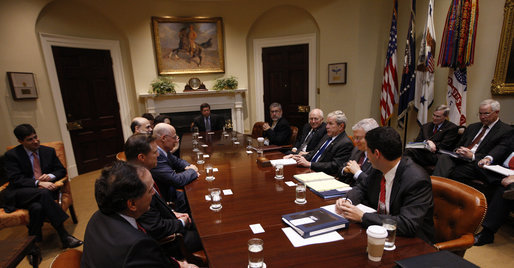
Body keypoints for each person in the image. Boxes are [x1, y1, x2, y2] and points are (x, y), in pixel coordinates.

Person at [81, 161, 196, 268]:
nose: (153, 193)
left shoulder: (96, 218)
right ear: (132, 204)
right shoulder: (138, 246)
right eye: (150, 189)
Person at [335, 127, 434, 243]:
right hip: (378, 232)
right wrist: (348, 202)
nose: (367, 158)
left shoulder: (416, 180)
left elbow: (408, 224)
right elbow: (362, 187)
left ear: (377, 154)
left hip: (412, 243)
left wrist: (362, 216)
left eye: (367, 151)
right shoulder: (379, 167)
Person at [2, 124, 82, 248]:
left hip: (43, 194)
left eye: (35, 137)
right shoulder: (12, 155)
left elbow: (61, 170)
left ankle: (33, 242)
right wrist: (38, 183)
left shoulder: (48, 151)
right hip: (22, 193)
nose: (35, 141)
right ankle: (64, 235)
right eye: (30, 139)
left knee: (37, 208)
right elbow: (15, 179)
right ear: (20, 141)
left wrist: (50, 176)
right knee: (43, 193)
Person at [124, 134, 202, 256]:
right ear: (142, 157)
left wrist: (173, 212)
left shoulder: (140, 173)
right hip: (172, 241)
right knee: (211, 233)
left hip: (170, 220)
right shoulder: (136, 186)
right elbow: (155, 227)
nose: (159, 155)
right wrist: (181, 222)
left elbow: (156, 208)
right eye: (155, 152)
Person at [433, 99, 513, 184]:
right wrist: (458, 150)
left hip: (478, 163)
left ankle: (436, 189)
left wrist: (473, 156)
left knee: (455, 171)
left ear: (496, 112)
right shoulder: (472, 127)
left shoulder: (506, 130)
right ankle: (435, 187)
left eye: (486, 113)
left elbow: (499, 152)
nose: (482, 117)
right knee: (444, 157)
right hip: (461, 158)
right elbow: (458, 145)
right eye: (480, 113)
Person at [473, 137, 514, 246]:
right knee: (479, 164)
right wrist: (489, 158)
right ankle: (509, 184)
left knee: (503, 191)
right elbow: (502, 147)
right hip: (503, 171)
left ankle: (487, 234)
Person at [152, 123, 199, 212]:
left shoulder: (163, 150)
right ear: (164, 138)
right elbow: (177, 180)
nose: (176, 140)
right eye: (174, 137)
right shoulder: (156, 155)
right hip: (167, 197)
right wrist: (192, 171)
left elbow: (178, 161)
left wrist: (188, 166)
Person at [292, 110, 354, 176]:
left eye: (330, 124)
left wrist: (310, 164)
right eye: (327, 123)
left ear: (341, 126)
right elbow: (314, 153)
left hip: (323, 174)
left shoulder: (345, 143)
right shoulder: (327, 136)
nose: (327, 126)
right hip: (310, 170)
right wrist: (298, 157)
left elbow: (335, 166)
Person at [337, 118, 379, 186]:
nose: (355, 141)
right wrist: (345, 170)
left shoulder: (377, 156)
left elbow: (372, 184)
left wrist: (357, 172)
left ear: (371, 137)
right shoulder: (357, 150)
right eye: (354, 138)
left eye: (358, 138)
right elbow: (341, 168)